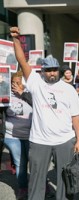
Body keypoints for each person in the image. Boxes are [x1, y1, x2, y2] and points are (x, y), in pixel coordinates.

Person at [10, 27, 79, 200]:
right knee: (36, 181)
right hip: (39, 141)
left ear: (58, 70)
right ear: (42, 71)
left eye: (54, 70)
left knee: (65, 180)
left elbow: (76, 116)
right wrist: (15, 39)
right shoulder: (35, 82)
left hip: (64, 141)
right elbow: (22, 60)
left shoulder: (69, 89)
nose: (52, 73)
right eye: (48, 70)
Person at [1, 71, 32, 199]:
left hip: (31, 135)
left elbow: (40, 106)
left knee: (36, 163)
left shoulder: (31, 94)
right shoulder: (6, 94)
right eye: (13, 83)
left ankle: (42, 186)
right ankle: (23, 188)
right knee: (20, 163)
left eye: (18, 83)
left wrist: (22, 94)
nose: (15, 85)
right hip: (12, 136)